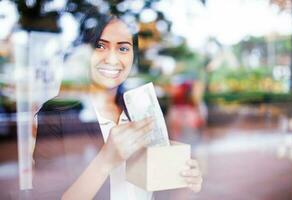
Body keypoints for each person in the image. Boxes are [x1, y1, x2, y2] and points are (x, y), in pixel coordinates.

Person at [33, 13, 202, 200]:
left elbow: (157, 189)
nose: (112, 59)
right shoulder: (58, 114)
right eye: (100, 46)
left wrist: (185, 178)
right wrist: (105, 160)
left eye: (123, 48)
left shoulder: (140, 109)